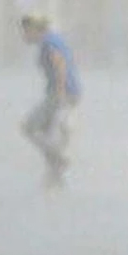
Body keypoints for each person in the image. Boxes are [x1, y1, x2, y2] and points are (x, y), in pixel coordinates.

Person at [20, 14, 80, 189]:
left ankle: (57, 159)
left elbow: (60, 63)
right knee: (49, 133)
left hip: (60, 94)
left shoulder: (48, 43)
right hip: (68, 92)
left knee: (29, 127)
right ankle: (54, 177)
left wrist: (60, 93)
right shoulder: (54, 39)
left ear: (34, 29)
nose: (24, 36)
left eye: (25, 31)